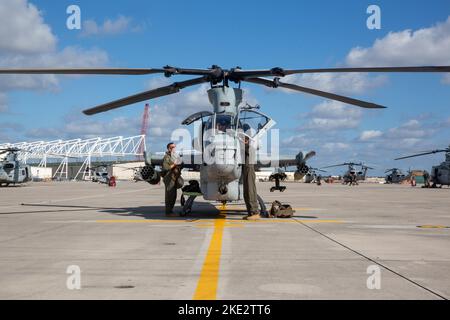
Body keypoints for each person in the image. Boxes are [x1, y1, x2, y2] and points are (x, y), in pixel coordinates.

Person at [242, 134, 260, 220]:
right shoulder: (245, 148)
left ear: (246, 141)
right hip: (245, 170)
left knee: (250, 191)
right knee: (246, 192)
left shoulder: (249, 148)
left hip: (249, 170)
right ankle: (250, 213)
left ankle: (255, 212)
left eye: (242, 140)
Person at [162, 143, 182, 217]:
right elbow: (166, 167)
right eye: (172, 147)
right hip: (169, 178)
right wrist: (175, 164)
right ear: (169, 148)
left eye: (174, 147)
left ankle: (170, 211)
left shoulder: (175, 156)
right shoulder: (167, 157)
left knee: (173, 195)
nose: (174, 148)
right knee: (169, 195)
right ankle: (168, 212)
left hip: (174, 177)